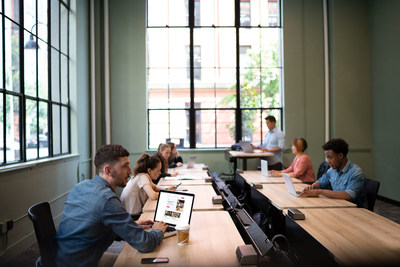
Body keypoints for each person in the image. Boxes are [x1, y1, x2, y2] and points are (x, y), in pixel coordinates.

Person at [55, 144, 168, 267]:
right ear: (108, 170)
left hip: (61, 259)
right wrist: (157, 230)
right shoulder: (108, 201)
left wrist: (130, 226)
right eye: (125, 166)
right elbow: (145, 244)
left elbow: (93, 227)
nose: (130, 171)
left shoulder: (81, 187)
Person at [300, 138, 367, 208]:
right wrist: (311, 187)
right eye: (327, 158)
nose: (328, 161)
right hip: (338, 206)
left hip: (355, 210)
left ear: (340, 155)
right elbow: (320, 182)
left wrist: (319, 192)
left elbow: (348, 196)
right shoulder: (332, 170)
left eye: (330, 157)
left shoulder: (356, 172)